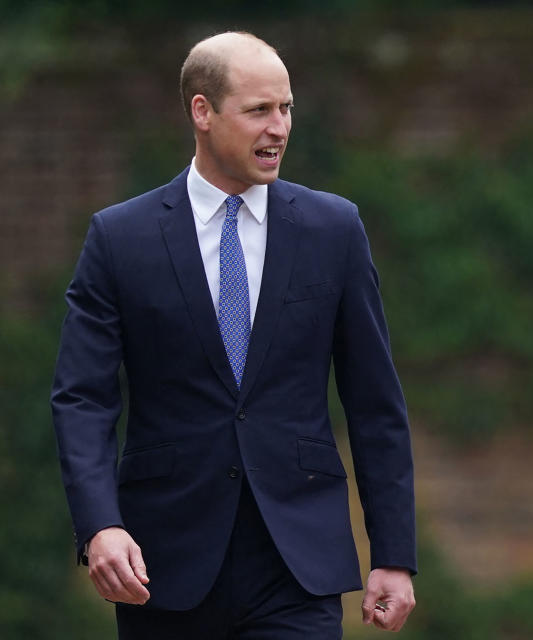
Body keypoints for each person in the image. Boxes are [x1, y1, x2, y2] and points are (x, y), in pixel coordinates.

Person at [51, 31, 416, 639]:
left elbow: (376, 402)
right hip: (163, 563)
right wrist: (99, 526)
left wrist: (394, 555)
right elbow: (82, 398)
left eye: (287, 108)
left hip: (298, 564)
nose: (279, 127)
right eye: (258, 111)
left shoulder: (334, 228)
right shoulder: (120, 238)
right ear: (202, 111)